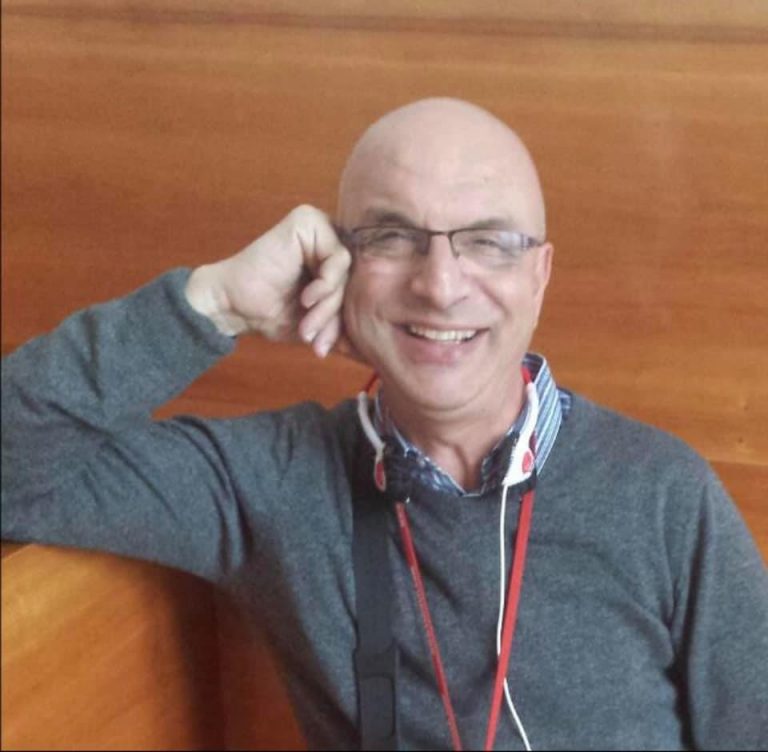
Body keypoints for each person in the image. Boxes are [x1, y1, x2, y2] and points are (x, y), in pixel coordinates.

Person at [2, 98, 766, 751]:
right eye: (393, 237)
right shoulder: (272, 481)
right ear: (338, 265)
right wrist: (214, 305)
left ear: (539, 275)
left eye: (488, 242)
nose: (439, 285)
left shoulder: (664, 493)